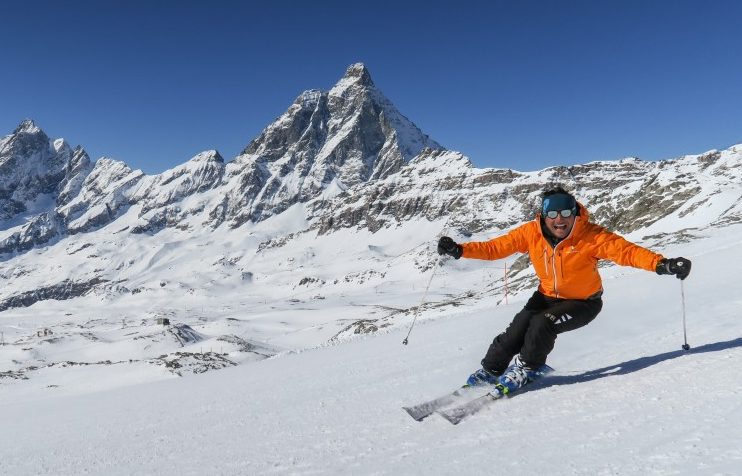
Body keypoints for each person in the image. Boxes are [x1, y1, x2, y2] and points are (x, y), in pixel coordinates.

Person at [437, 186, 691, 394]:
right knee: (517, 329)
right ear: (544, 216)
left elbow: (626, 252)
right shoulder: (530, 233)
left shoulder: (591, 236)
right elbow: (496, 247)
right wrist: (460, 250)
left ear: (575, 214)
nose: (560, 219)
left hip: (583, 302)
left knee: (542, 324)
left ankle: (528, 368)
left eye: (566, 212)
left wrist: (662, 264)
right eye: (553, 213)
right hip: (546, 295)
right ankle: (491, 370)